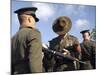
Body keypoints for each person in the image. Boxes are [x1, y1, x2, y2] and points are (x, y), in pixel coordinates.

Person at [11, 7, 43, 74]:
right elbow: (35, 63)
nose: (35, 23)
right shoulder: (33, 33)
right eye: (35, 20)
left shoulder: (13, 38)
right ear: (30, 19)